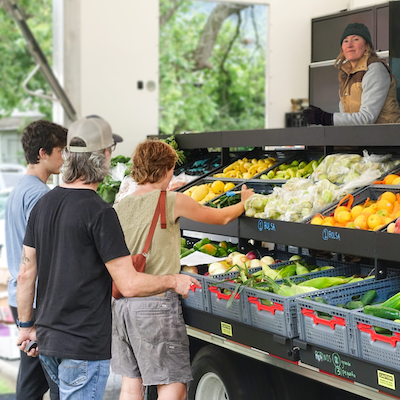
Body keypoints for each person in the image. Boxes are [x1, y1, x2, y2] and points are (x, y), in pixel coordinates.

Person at [15, 115, 200, 400]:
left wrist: (27, 326)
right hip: (83, 345)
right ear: (103, 156)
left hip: (48, 341)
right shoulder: (99, 213)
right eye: (110, 151)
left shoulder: (44, 205)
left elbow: (26, 273)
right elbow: (128, 285)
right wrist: (174, 281)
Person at [111, 139, 254, 400]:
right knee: (173, 387)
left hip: (121, 305)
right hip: (155, 306)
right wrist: (245, 202)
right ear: (166, 169)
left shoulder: (120, 206)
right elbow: (221, 218)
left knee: (132, 384)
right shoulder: (170, 200)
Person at [6, 120, 67, 400]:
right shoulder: (41, 195)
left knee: (34, 383)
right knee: (53, 383)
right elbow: (48, 254)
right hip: (35, 302)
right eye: (60, 150)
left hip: (20, 297)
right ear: (43, 153)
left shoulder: (20, 190)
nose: (64, 157)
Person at [303, 22, 400, 126]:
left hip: (386, 138)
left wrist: (325, 118)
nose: (349, 45)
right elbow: (345, 115)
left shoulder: (374, 69)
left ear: (367, 46)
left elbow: (367, 118)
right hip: (363, 138)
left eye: (355, 39)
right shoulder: (346, 74)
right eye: (345, 41)